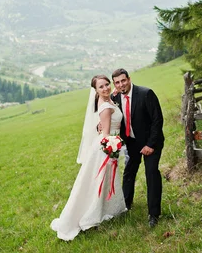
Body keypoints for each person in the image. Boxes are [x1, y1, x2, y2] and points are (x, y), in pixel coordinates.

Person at [50, 75, 126, 241]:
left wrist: (113, 91)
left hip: (105, 144)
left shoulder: (106, 99)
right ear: (96, 91)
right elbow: (105, 134)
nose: (106, 88)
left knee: (103, 181)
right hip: (106, 147)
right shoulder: (106, 106)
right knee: (99, 182)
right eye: (101, 87)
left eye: (107, 84)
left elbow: (110, 98)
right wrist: (113, 147)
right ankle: (92, 214)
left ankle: (106, 209)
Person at [111, 68, 164, 228]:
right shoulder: (115, 98)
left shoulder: (146, 93)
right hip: (132, 142)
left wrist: (150, 145)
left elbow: (157, 120)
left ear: (129, 78)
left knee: (151, 173)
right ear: (115, 84)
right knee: (129, 173)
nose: (121, 84)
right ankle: (126, 205)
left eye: (123, 80)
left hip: (151, 143)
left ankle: (154, 214)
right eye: (117, 82)